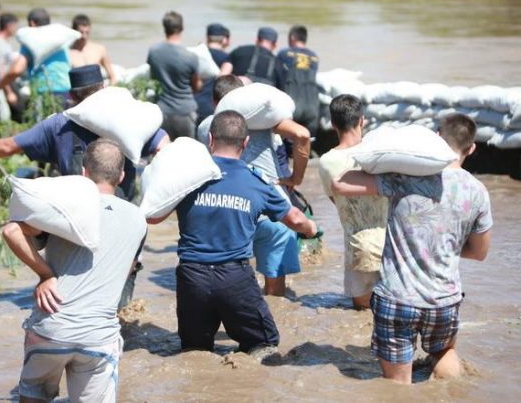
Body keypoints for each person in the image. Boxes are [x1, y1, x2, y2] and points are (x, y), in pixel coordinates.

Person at [0, 65, 168, 308]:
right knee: (117, 304)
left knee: (69, 296)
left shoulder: (58, 125)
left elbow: (8, 147)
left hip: (73, 223)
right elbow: (165, 148)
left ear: (71, 97)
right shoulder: (130, 120)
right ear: (103, 89)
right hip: (121, 223)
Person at [331, 114, 492, 384]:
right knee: (444, 352)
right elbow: (479, 252)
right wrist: (446, 246)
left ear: (437, 138)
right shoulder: (477, 191)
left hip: (397, 299)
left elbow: (340, 183)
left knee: (398, 388)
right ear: (472, 148)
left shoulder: (404, 177)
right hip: (444, 302)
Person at [150, 110, 317, 356]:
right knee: (264, 344)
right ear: (246, 143)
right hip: (234, 278)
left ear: (209, 139)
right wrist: (311, 229)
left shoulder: (186, 178)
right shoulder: (256, 182)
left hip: (192, 276)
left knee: (194, 351)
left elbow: (154, 217)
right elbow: (295, 219)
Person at [3, 138, 147, 402]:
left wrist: (45, 274)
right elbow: (125, 273)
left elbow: (11, 230)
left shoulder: (64, 209)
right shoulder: (139, 219)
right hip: (98, 337)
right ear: (122, 175)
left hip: (50, 330)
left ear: (84, 172)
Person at [201, 75, 312, 297]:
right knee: (275, 296)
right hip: (275, 214)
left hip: (232, 212)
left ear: (215, 103)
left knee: (229, 289)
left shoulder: (207, 127)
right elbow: (302, 134)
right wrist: (295, 178)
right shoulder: (267, 122)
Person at [318, 95, 388, 310]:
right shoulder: (380, 153)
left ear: (332, 123)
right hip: (393, 245)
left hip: (359, 246)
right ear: (362, 120)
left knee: (362, 313)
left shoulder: (326, 162)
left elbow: (336, 201)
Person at [0, 8, 71, 113]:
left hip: (43, 93)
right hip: (66, 91)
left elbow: (17, 70)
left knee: (44, 127)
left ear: (32, 23)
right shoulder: (61, 41)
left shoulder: (31, 42)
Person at [147, 11, 201, 140]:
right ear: (182, 28)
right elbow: (197, 86)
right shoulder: (190, 56)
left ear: (164, 28)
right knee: (186, 151)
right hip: (185, 111)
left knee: (162, 151)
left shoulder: (154, 52)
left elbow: (153, 78)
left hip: (162, 111)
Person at [277, 25, 320, 135]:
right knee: (306, 145)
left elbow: (277, 77)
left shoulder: (284, 54)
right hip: (312, 107)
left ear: (292, 37)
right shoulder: (314, 57)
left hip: (292, 105)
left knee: (286, 144)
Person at [194, 23, 232, 122]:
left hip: (192, 105)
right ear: (224, 40)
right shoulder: (227, 58)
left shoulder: (196, 55)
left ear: (207, 38)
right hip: (212, 107)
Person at [69, 14, 118, 85]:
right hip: (78, 92)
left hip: (97, 91)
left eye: (87, 32)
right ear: (74, 31)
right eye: (81, 32)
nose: (84, 36)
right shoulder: (68, 52)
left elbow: (112, 77)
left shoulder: (99, 50)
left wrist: (110, 89)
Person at [0, 13, 21, 121]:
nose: (16, 29)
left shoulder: (6, 42)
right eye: (15, 26)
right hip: (1, 83)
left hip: (7, 81)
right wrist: (9, 92)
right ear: (9, 26)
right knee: (4, 115)